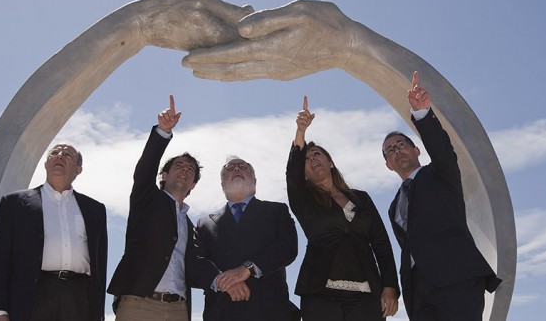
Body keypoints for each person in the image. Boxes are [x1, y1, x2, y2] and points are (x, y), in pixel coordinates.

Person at [382, 71, 501, 320]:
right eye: (390, 151)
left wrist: (422, 114)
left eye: (401, 145)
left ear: (416, 150)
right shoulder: (394, 207)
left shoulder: (440, 174)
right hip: (419, 292)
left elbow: (443, 150)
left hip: (456, 280)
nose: (396, 151)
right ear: (388, 165)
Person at [286, 96, 399, 321]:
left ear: (330, 162)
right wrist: (301, 132)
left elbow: (382, 245)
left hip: (367, 297)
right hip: (320, 295)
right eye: (306, 159)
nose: (312, 159)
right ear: (304, 173)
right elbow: (292, 175)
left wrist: (390, 286)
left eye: (317, 154)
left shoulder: (362, 198)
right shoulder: (304, 202)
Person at [0, 144, 108, 321]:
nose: (60, 156)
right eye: (54, 153)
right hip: (32, 298)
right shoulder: (15, 204)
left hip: (80, 299)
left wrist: (98, 314)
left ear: (78, 170)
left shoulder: (95, 210)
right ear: (46, 164)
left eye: (68, 155)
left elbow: (100, 265)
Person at [107, 95, 201, 321]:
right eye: (178, 166)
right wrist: (162, 132)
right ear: (164, 175)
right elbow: (145, 169)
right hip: (139, 304)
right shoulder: (146, 198)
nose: (184, 170)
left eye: (190, 170)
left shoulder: (190, 225)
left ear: (193, 185)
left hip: (178, 309)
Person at [188, 156, 298, 321]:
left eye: (242, 166)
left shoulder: (277, 211)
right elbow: (196, 261)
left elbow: (287, 247)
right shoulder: (204, 224)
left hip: (270, 311)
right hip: (222, 312)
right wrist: (223, 281)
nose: (237, 169)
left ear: (254, 180)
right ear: (222, 184)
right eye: (230, 168)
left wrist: (247, 269)